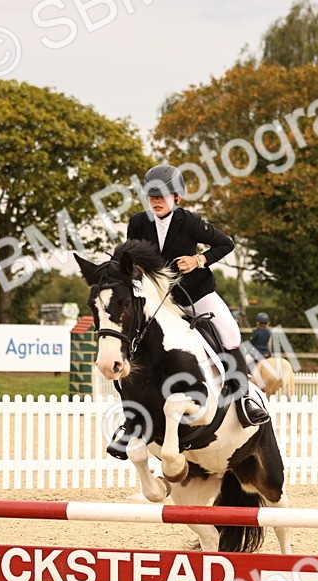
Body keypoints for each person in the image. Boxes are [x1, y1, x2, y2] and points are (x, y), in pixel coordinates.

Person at [107, 165, 268, 459]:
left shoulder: (189, 222)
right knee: (130, 343)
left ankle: (244, 398)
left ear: (177, 197)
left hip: (194, 294)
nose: (156, 200)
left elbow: (225, 244)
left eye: (162, 195)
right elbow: (126, 258)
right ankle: (130, 420)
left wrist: (199, 259)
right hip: (157, 300)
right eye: (151, 195)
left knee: (230, 330)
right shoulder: (138, 223)